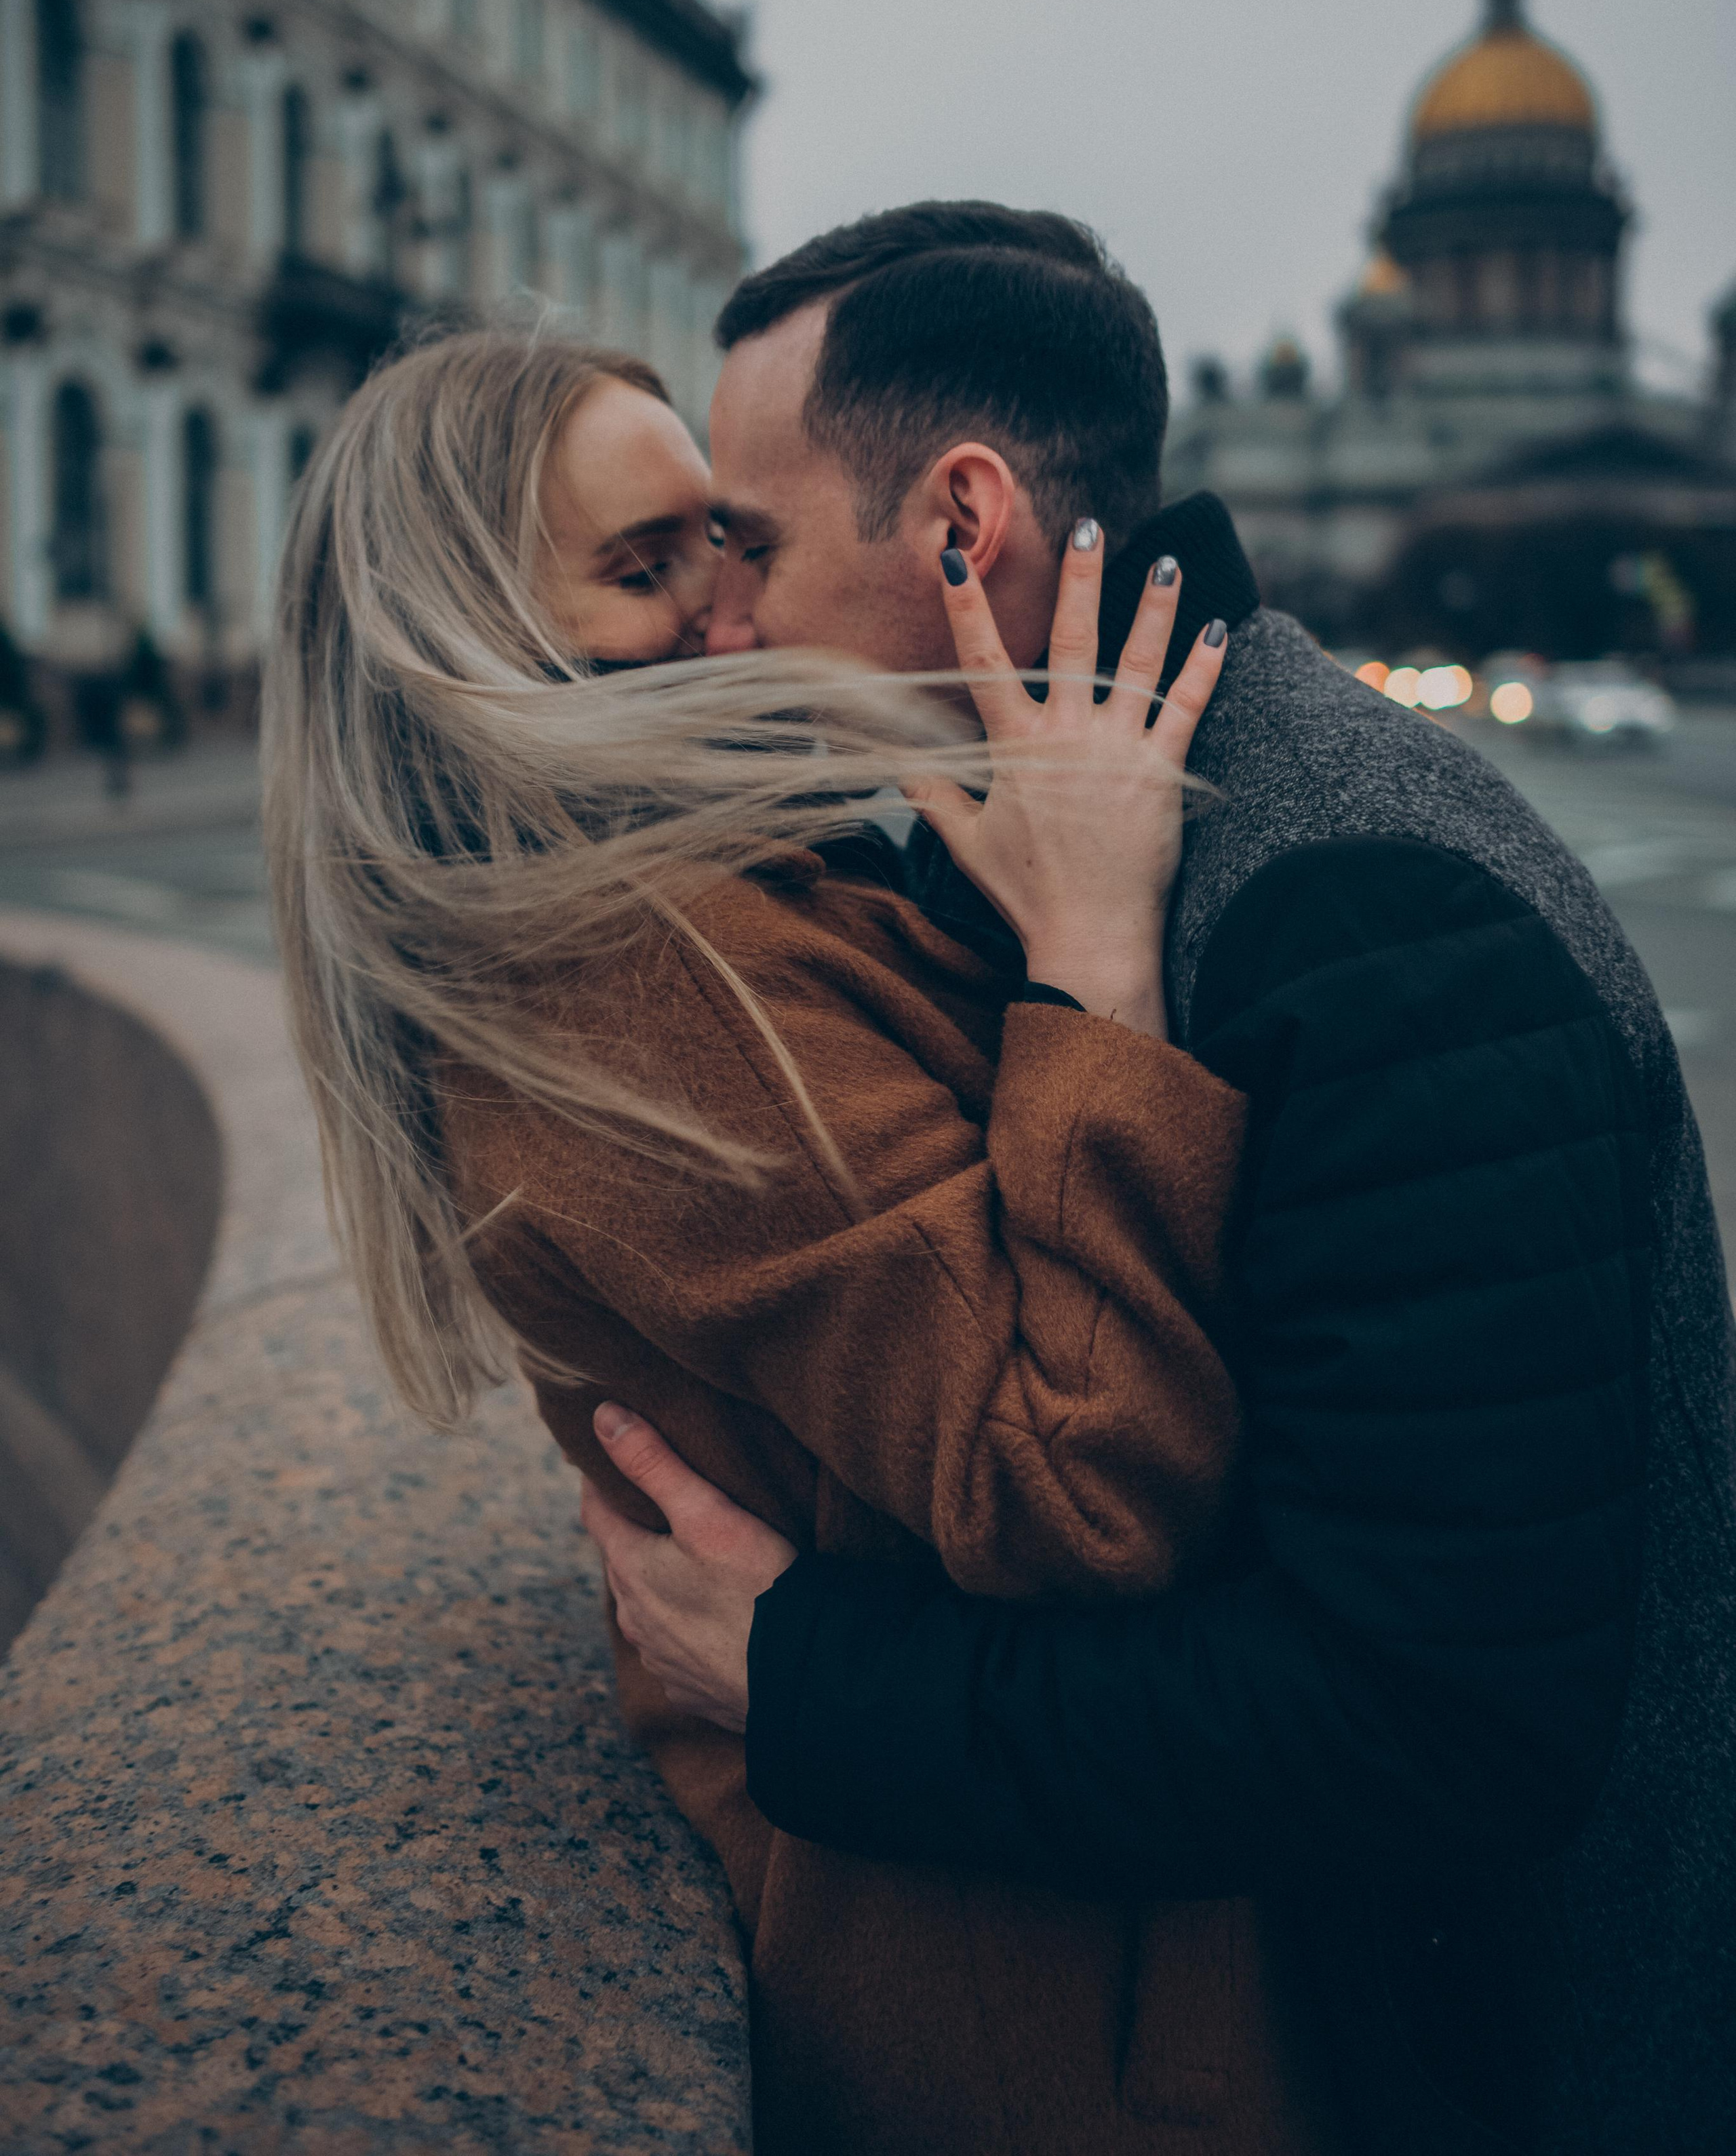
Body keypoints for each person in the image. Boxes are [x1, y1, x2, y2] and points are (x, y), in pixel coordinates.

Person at [581, 201, 1736, 2156]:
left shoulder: (1360, 909)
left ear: (963, 526)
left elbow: (1433, 1720)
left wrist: (803, 1675)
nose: (726, 625)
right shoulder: (1077, 838)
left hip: (1468, 2079)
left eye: (752, 546)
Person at [262, 321, 1335, 2153]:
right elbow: (1091, 1486)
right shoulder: (645, 982)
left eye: (727, 542)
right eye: (644, 566)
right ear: (464, 639)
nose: (734, 614)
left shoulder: (686, 907)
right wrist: (1092, 961)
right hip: (1056, 2023)